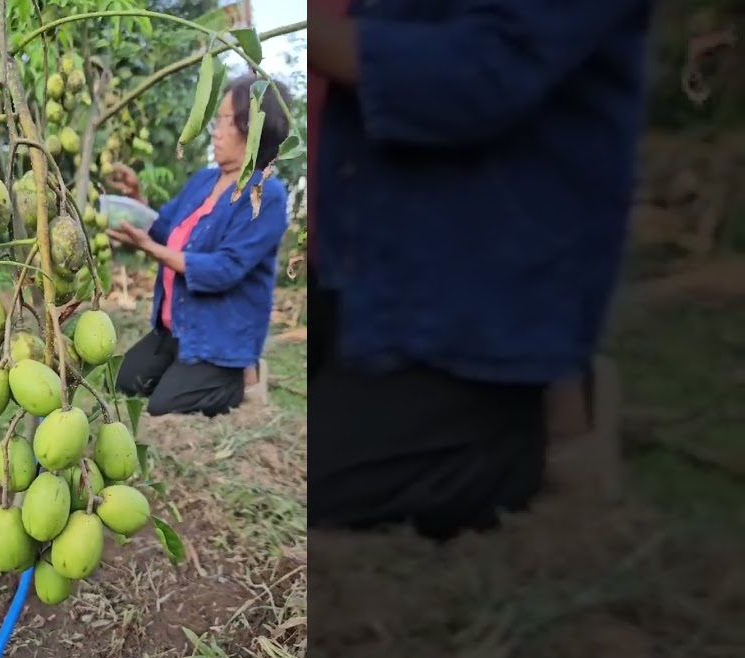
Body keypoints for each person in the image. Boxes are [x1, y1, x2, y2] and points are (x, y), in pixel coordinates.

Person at [307, 2, 653, 540]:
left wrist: (305, 35)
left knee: (314, 488)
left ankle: (532, 435)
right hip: (363, 265)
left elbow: (482, 73)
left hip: (475, 301)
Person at [105, 74, 292, 417]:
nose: (215, 132)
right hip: (177, 328)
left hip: (218, 337)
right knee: (123, 381)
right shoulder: (203, 181)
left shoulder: (265, 195)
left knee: (164, 406)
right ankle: (182, 369)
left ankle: (241, 378)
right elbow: (165, 229)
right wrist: (136, 200)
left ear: (253, 129)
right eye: (217, 121)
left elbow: (224, 269)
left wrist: (150, 249)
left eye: (226, 121)